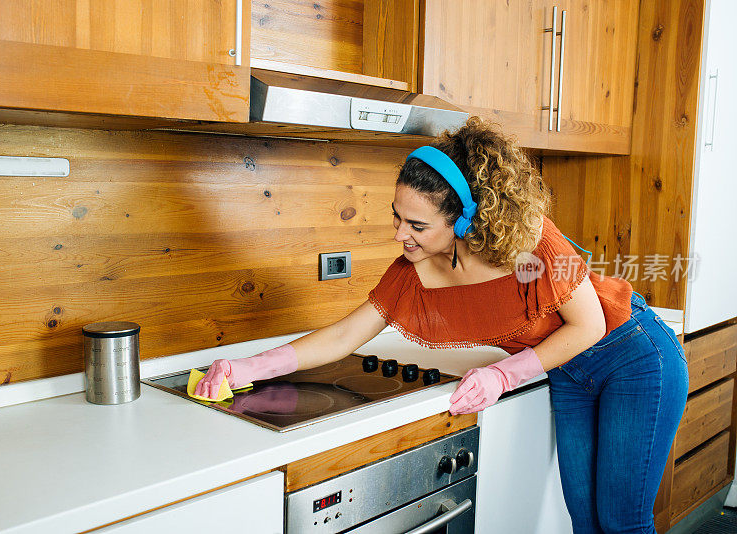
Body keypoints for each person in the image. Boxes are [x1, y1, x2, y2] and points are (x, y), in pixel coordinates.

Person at [195, 117, 689, 533]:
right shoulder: (412, 275)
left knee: (622, 522)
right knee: (586, 520)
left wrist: (502, 374)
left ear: (465, 221)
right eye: (396, 218)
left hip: (631, 355)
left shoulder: (530, 241)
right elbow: (345, 335)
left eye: (417, 226)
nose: (399, 235)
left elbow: (589, 325)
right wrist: (247, 367)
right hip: (568, 374)